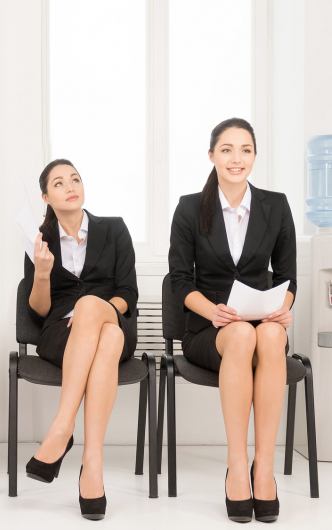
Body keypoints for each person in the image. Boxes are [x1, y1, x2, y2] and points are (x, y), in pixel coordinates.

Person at [169, 118, 296, 523]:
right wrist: (212, 310)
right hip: (210, 328)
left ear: (255, 156)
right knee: (241, 333)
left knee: (272, 335)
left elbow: (287, 275)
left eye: (245, 150)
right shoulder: (191, 207)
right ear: (211, 156)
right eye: (226, 149)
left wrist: (283, 305)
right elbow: (179, 280)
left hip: (263, 323)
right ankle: (237, 465)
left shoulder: (275, 204)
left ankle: (264, 468)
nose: (236, 158)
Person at [23, 159, 138, 520]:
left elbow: (127, 292)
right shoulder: (39, 239)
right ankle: (93, 462)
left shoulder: (114, 229)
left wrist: (94, 310)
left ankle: (62, 428)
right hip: (62, 331)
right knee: (105, 339)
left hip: (113, 318)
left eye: (75, 179)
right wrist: (42, 274)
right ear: (46, 196)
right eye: (59, 183)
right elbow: (40, 310)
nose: (70, 186)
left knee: (96, 313)